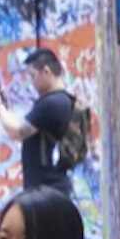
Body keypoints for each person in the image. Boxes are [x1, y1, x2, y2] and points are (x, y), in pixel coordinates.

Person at [17, 45, 86, 191]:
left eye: (33, 76)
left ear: (46, 72)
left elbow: (17, 132)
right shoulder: (63, 100)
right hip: (52, 187)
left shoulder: (53, 103)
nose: (32, 82)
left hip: (46, 189)